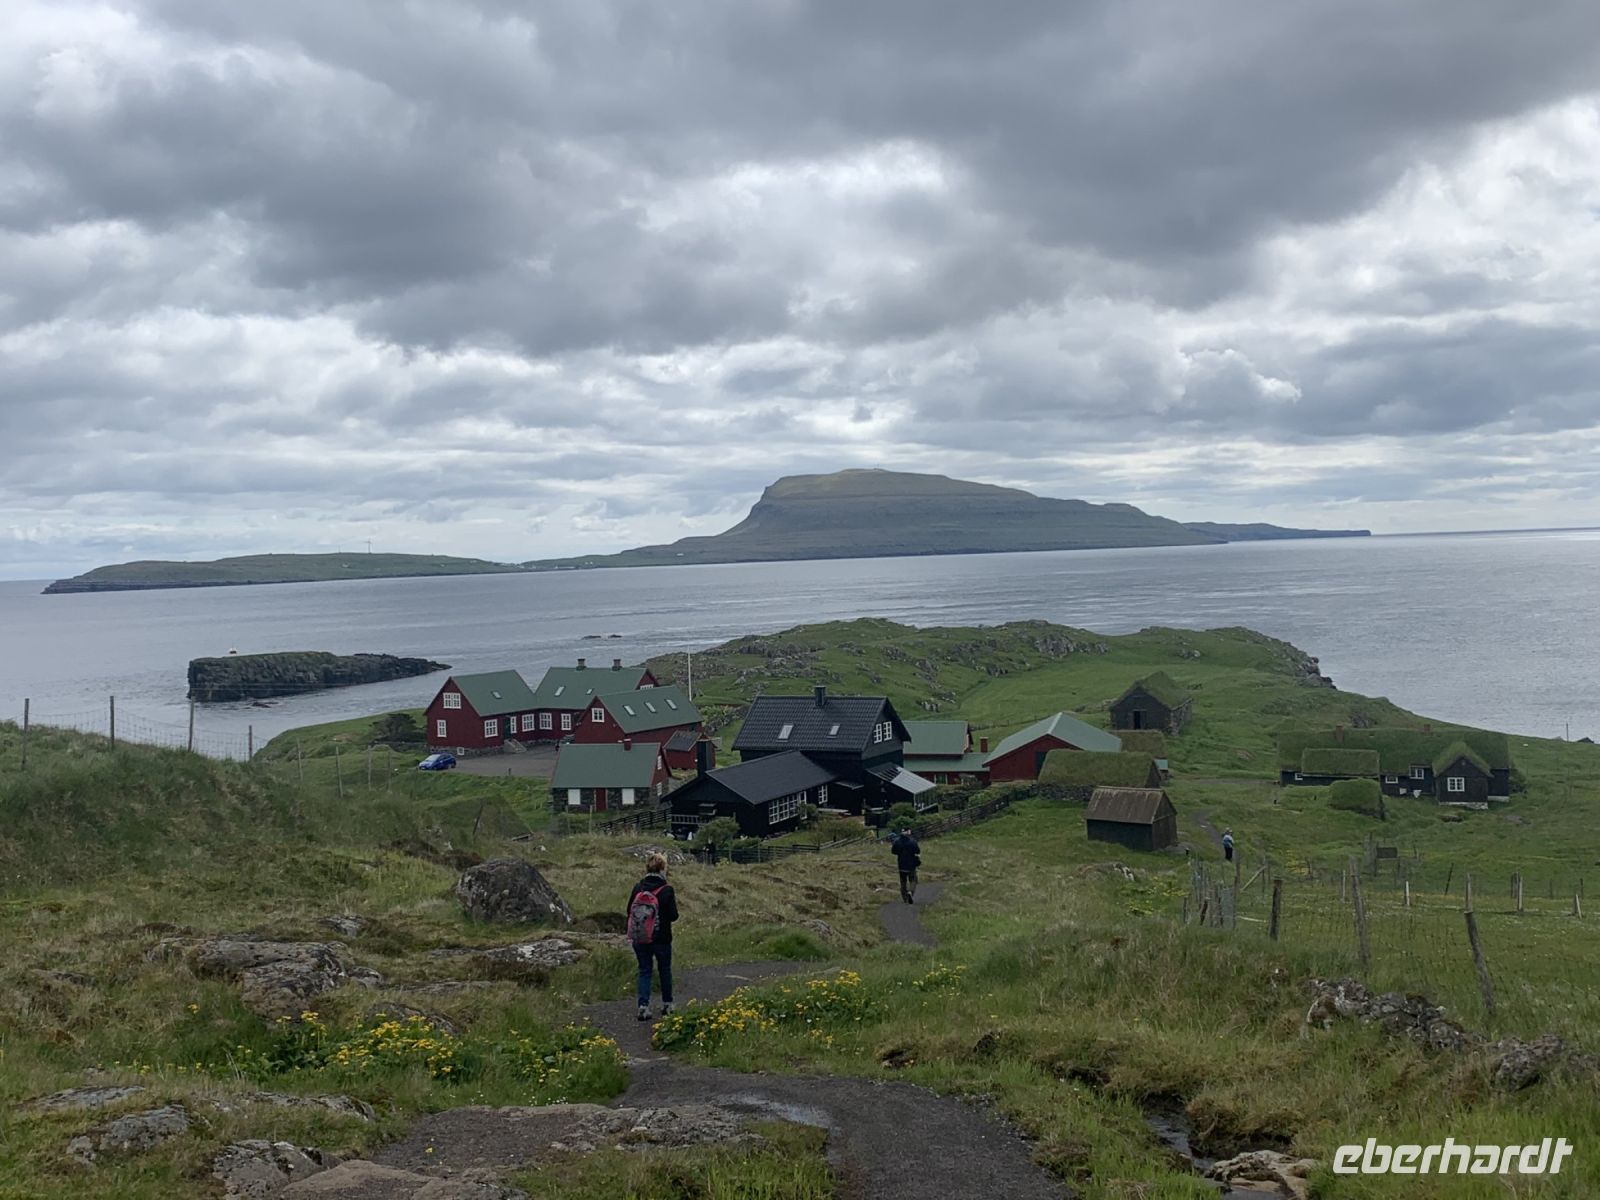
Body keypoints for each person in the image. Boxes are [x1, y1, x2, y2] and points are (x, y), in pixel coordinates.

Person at [626, 852, 679, 1021]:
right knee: (664, 970)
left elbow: (629, 910)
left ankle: (643, 1006)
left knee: (644, 971)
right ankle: (667, 1004)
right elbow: (673, 915)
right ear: (662, 868)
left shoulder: (637, 888)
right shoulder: (666, 890)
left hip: (640, 937)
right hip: (661, 938)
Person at [889, 826, 921, 904]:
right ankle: (910, 892)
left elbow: (893, 851)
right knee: (913, 880)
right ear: (908, 832)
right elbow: (917, 851)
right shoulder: (912, 841)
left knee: (903, 881)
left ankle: (905, 898)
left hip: (901, 864)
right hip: (911, 864)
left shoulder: (897, 841)